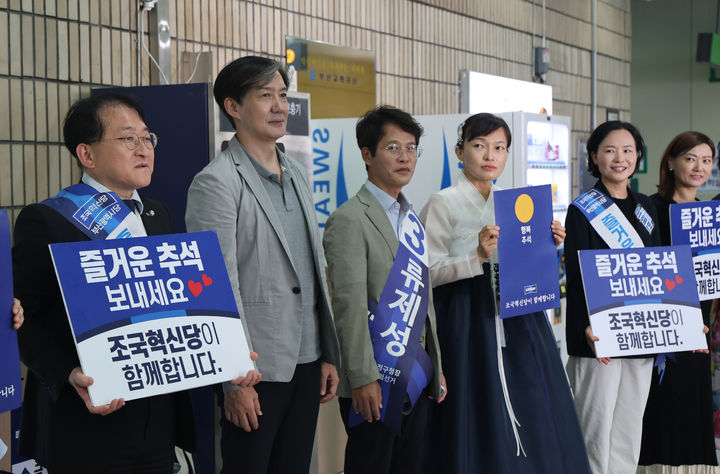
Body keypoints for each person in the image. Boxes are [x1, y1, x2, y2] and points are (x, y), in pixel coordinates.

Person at [13, 94, 207, 473]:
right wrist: (67, 372)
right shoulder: (47, 221)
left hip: (156, 420)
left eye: (147, 138)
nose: (144, 149)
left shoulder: (158, 214)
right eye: (128, 139)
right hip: (84, 419)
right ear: (87, 155)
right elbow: (21, 321)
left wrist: (222, 351)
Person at [185, 56, 341, 474]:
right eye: (265, 95)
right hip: (256, 370)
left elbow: (313, 268)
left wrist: (327, 352)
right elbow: (216, 285)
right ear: (233, 107)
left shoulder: (296, 172)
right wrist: (234, 379)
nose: (279, 106)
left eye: (283, 96)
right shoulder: (217, 181)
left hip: (307, 361)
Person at [419, 112, 590, 474]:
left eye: (499, 147)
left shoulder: (513, 202)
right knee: (475, 397)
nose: (489, 155)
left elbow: (528, 262)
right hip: (466, 315)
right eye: (479, 146)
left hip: (517, 313)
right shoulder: (442, 202)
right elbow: (426, 272)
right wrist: (475, 256)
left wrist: (549, 245)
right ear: (459, 151)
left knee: (531, 396)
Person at [323, 105, 446, 474]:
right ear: (367, 154)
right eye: (393, 148)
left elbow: (424, 301)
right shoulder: (349, 219)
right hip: (374, 378)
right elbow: (348, 306)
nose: (405, 157)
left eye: (411, 148)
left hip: (416, 374)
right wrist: (362, 378)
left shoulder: (411, 218)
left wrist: (435, 366)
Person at [564, 120, 661, 474]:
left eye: (627, 150)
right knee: (595, 426)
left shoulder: (646, 207)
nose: (619, 158)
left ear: (638, 156)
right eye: (609, 150)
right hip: (600, 336)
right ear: (594, 156)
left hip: (640, 332)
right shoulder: (583, 209)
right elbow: (576, 277)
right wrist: (586, 327)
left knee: (629, 427)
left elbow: (656, 270)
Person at [638, 131, 717, 471]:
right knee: (661, 404)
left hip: (699, 325)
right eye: (690, 158)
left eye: (706, 160)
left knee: (692, 402)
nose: (699, 167)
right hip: (660, 327)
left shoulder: (710, 214)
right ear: (670, 162)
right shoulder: (649, 209)